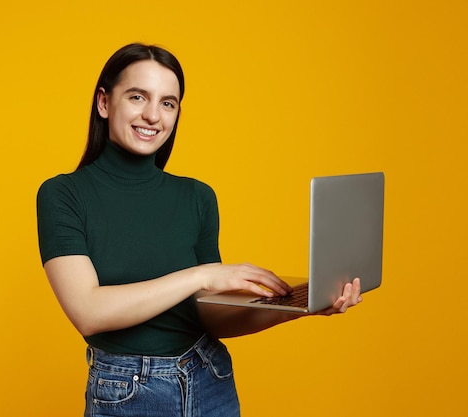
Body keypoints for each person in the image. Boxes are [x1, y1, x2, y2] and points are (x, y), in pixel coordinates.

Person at [36, 43, 362, 417]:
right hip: (129, 392)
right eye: (138, 96)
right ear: (104, 103)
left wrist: (300, 307)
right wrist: (202, 274)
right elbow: (88, 310)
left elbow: (208, 317)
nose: (152, 115)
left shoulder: (197, 197)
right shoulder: (63, 194)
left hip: (210, 378)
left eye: (168, 103)